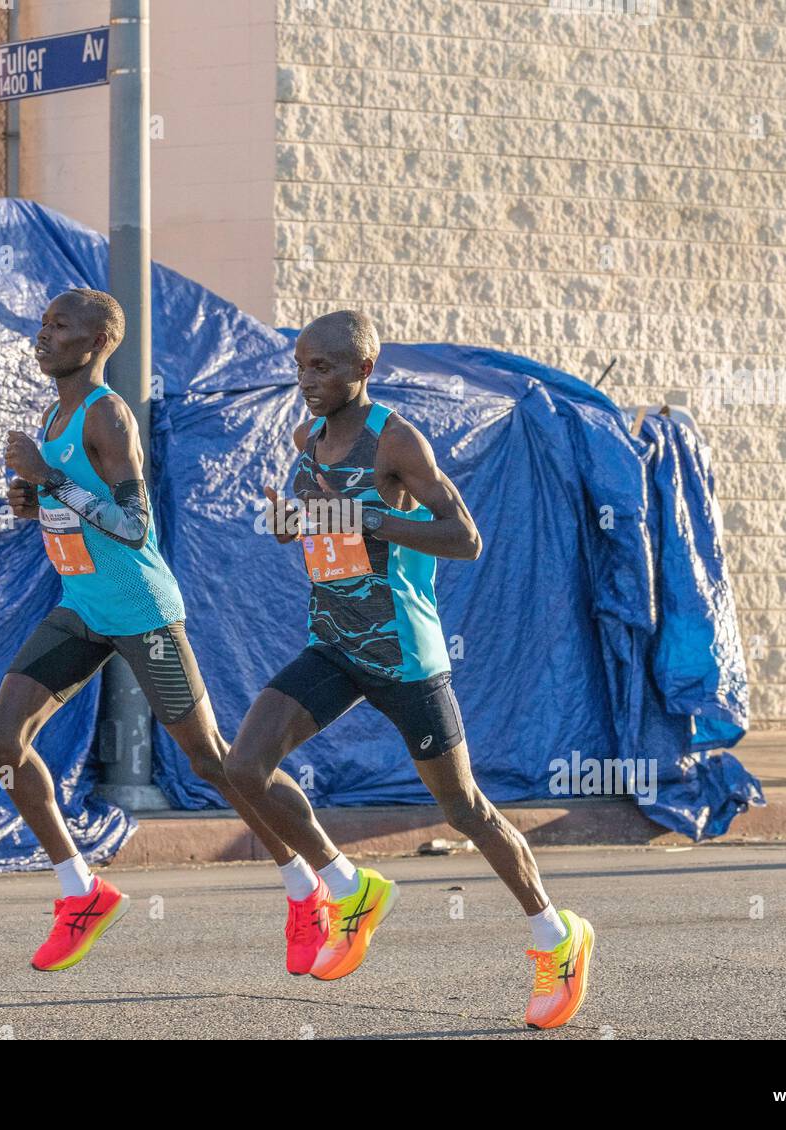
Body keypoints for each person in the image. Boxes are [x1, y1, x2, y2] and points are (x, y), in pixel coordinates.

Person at [226, 309, 595, 1028]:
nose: (307, 380)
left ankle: (558, 937)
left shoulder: (394, 440)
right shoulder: (308, 438)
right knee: (244, 767)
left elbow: (465, 537)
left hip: (403, 656)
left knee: (464, 811)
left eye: (323, 368)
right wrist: (290, 523)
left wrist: (369, 520)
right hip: (334, 645)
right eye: (301, 366)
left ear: (364, 370)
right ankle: (348, 885)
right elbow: (317, 523)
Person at [0, 288, 306, 973]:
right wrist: (31, 501)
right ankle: (81, 892)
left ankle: (306, 885)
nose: (43, 336)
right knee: (2, 737)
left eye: (59, 327)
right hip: (85, 606)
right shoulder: (54, 413)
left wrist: (47, 479)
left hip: (141, 608)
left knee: (213, 761)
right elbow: (70, 509)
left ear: (96, 343)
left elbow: (134, 526)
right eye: (42, 323)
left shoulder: (108, 414)